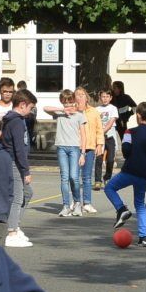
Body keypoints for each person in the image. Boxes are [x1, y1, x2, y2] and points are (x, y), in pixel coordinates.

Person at [102, 102, 146, 247]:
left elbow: (126, 150)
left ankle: (121, 208)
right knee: (140, 204)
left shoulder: (130, 132)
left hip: (130, 170)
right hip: (144, 174)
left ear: (138, 116)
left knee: (109, 188)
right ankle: (145, 237)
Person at [0, 89, 36, 248]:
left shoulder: (14, 119)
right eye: (30, 108)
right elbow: (19, 148)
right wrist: (25, 170)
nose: (30, 111)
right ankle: (11, 232)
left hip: (14, 161)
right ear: (22, 105)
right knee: (17, 197)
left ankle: (15, 225)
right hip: (13, 162)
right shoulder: (16, 121)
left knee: (28, 193)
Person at [43, 90, 87, 218]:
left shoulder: (80, 115)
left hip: (74, 148)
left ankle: (77, 203)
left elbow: (84, 136)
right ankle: (66, 206)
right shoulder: (59, 113)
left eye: (70, 101)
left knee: (74, 176)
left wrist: (83, 153)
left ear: (74, 101)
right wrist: (62, 110)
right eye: (65, 102)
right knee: (64, 177)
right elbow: (45, 108)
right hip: (61, 147)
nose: (68, 105)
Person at [76, 90, 102, 213]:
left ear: (87, 98)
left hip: (90, 147)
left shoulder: (94, 111)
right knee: (74, 177)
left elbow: (99, 129)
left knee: (86, 177)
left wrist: (100, 144)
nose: (80, 97)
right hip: (75, 147)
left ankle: (87, 203)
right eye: (77, 95)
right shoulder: (72, 111)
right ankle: (75, 202)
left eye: (82, 95)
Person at [95, 88, 119, 187]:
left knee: (110, 159)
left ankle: (107, 177)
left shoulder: (113, 108)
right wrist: (99, 133)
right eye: (103, 96)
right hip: (100, 137)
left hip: (110, 136)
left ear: (110, 98)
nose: (105, 99)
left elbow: (111, 122)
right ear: (100, 98)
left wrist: (103, 131)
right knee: (99, 158)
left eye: (107, 97)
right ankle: (97, 180)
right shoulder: (97, 109)